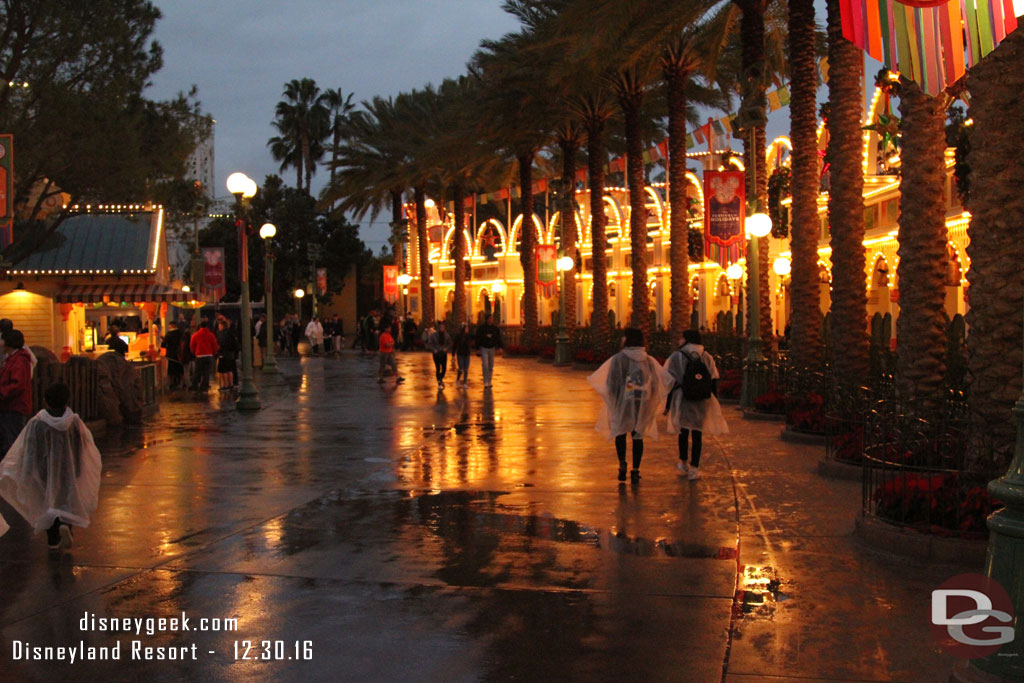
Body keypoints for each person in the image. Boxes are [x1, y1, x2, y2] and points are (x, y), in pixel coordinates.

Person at [0, 382, 102, 550]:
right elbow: (81, 444)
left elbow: (30, 446)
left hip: (44, 468)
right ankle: (66, 526)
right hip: (68, 468)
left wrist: (29, 468)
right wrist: (78, 464)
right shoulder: (74, 421)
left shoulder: (38, 422)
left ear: (45, 400)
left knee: (47, 500)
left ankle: (53, 539)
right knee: (66, 498)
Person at [587, 328, 671, 483]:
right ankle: (636, 470)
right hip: (642, 402)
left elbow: (611, 382)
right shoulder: (648, 359)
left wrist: (615, 398)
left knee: (620, 432)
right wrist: (650, 399)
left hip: (623, 402)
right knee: (637, 435)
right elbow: (658, 382)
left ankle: (622, 463)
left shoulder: (619, 358)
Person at [663, 329, 729, 480]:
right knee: (698, 433)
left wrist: (668, 405)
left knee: (683, 431)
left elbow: (671, 381)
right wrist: (713, 401)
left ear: (686, 339)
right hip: (702, 398)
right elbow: (713, 380)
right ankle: (695, 468)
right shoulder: (707, 356)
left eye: (681, 338)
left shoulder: (677, 356)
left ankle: (683, 462)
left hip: (683, 397)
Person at [0, 329, 34, 455]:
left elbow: (17, 385)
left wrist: (2, 393)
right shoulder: (13, 358)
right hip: (9, 407)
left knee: (13, 442)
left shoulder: (19, 360)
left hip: (14, 407)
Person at [189, 320, 218, 392]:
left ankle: (195, 385)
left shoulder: (195, 335)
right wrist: (213, 352)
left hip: (199, 355)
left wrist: (194, 352)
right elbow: (215, 345)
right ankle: (204, 386)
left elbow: (192, 345)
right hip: (208, 355)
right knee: (206, 372)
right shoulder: (211, 335)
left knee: (197, 371)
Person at [475, 314, 503, 388]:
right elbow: (478, 338)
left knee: (491, 365)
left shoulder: (495, 329)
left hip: (492, 348)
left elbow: (498, 338)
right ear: (487, 319)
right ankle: (485, 381)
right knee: (485, 364)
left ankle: (489, 380)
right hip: (484, 348)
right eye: (490, 318)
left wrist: (500, 347)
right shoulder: (481, 328)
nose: (491, 320)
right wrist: (477, 348)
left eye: (492, 318)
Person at [425, 321, 451, 389]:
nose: (442, 328)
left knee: (444, 369)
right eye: (441, 327)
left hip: (443, 354)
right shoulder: (434, 335)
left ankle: (440, 379)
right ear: (439, 328)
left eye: (443, 327)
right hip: (436, 354)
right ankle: (439, 382)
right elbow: (429, 344)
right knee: (438, 368)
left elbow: (449, 343)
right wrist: (434, 349)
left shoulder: (447, 335)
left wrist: (446, 348)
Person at [215, 319, 238, 392]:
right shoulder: (230, 333)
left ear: (222, 326)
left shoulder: (222, 334)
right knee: (230, 370)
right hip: (230, 354)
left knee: (223, 371)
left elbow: (221, 344)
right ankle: (230, 384)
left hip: (223, 354)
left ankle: (225, 385)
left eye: (219, 325)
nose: (219, 327)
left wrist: (219, 350)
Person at [162, 320, 186, 390]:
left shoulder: (169, 334)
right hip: (179, 354)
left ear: (171, 326)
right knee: (180, 369)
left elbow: (163, 344)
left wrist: (167, 347)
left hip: (171, 354)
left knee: (171, 370)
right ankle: (184, 383)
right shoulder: (181, 333)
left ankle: (171, 384)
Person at [452, 322, 473, 388]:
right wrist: (453, 355)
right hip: (460, 354)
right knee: (461, 368)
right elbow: (455, 346)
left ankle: (465, 382)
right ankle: (458, 380)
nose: (467, 329)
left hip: (467, 354)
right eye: (466, 328)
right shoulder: (458, 336)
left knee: (466, 369)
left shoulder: (468, 336)